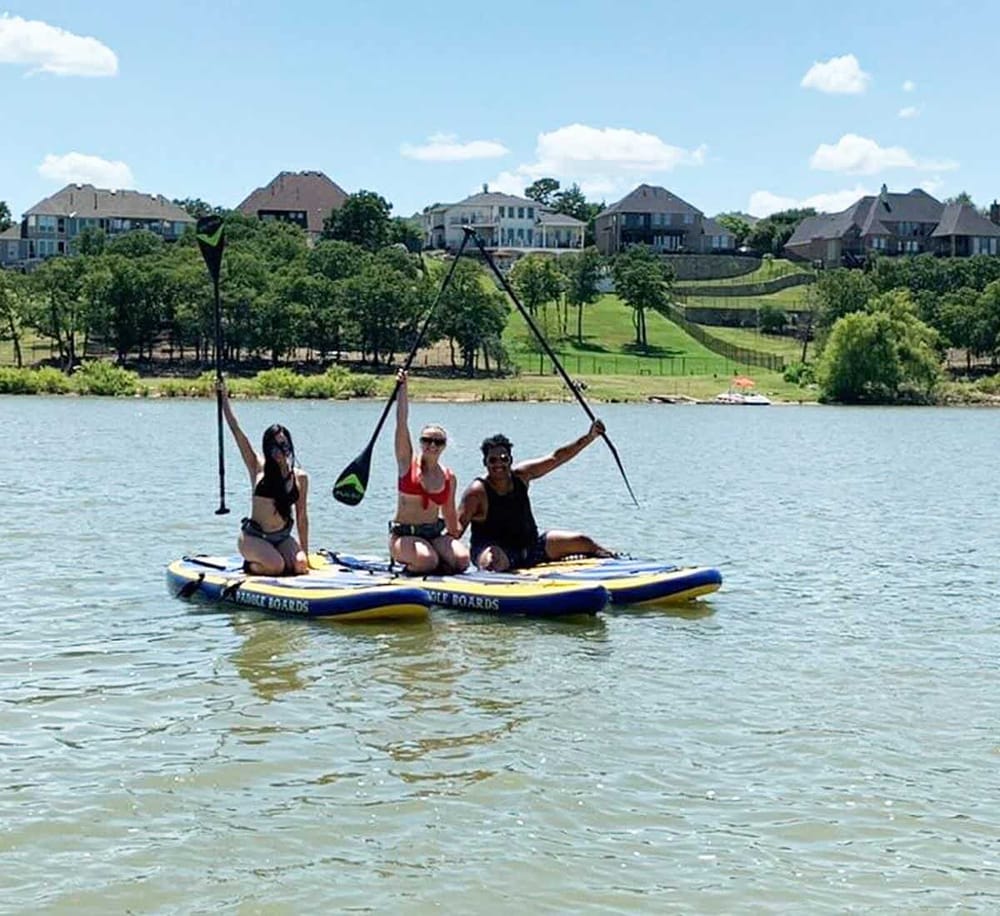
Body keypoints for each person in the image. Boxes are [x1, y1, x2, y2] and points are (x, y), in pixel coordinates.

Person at [457, 422, 613, 571]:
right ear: (485, 462)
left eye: (504, 459)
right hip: (497, 552)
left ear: (511, 460)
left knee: (582, 541)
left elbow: (556, 458)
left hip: (532, 548)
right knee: (493, 561)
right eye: (493, 460)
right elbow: (456, 529)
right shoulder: (476, 492)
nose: (499, 464)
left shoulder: (522, 476)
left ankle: (615, 560)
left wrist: (590, 436)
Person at [218, 380, 309, 576]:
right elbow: (236, 430)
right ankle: (250, 565)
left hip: (283, 537)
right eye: (274, 447)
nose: (279, 452)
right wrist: (223, 398)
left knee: (300, 566)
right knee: (277, 567)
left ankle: (277, 558)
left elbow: (302, 518)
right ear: (267, 448)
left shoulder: (300, 477)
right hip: (254, 538)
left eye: (283, 447)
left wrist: (306, 553)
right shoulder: (257, 466)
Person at [388, 369, 469, 574]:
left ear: (444, 446)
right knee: (426, 560)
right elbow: (402, 422)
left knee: (461, 560)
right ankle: (418, 565)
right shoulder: (406, 463)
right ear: (421, 442)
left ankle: (438, 560)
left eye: (438, 441)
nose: (432, 445)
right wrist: (402, 388)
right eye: (426, 440)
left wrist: (458, 535)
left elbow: (450, 516)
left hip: (433, 534)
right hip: (405, 536)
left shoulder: (449, 477)